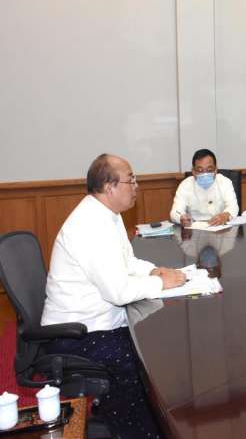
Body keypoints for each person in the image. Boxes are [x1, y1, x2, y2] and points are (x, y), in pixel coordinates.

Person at [42, 154, 187, 438]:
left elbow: (127, 262)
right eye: (131, 180)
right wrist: (160, 283)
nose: (136, 186)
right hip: (76, 334)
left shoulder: (108, 215)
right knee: (139, 365)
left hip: (98, 322)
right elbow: (118, 292)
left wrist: (154, 270)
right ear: (109, 187)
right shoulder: (89, 225)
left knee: (155, 347)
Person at [170, 149, 239, 226]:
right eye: (200, 170)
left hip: (221, 228)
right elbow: (175, 212)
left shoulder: (225, 182)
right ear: (193, 171)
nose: (205, 174)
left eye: (209, 170)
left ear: (216, 170)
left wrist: (225, 216)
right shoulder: (185, 185)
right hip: (195, 229)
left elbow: (233, 207)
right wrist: (181, 218)